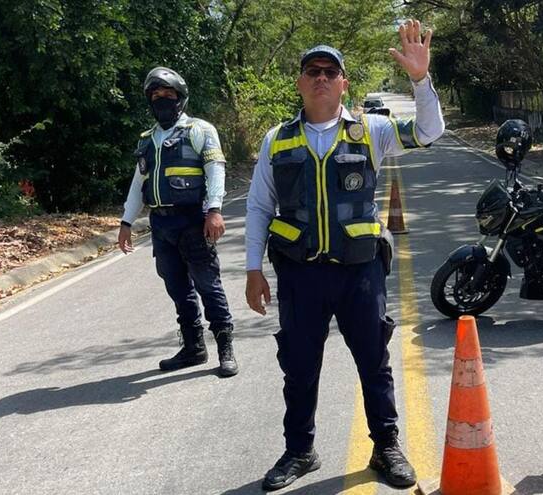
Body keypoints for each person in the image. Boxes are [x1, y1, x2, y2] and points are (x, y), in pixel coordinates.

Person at [245, 20, 444, 491]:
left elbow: (430, 132)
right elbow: (258, 206)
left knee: (373, 360)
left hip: (359, 271)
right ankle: (300, 451)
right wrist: (253, 269)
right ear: (299, 82)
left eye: (329, 72)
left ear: (343, 83)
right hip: (300, 273)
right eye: (311, 71)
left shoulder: (370, 130)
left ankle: (386, 446)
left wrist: (421, 79)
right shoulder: (277, 140)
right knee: (298, 365)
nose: (320, 78)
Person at [118, 67, 238, 378]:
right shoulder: (147, 140)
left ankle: (225, 348)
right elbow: (137, 183)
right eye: (155, 96)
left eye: (168, 95)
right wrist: (126, 222)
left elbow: (215, 171)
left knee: (208, 284)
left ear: (180, 99)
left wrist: (214, 210)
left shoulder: (199, 130)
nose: (162, 100)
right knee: (177, 287)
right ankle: (194, 348)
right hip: (162, 224)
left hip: (194, 220)